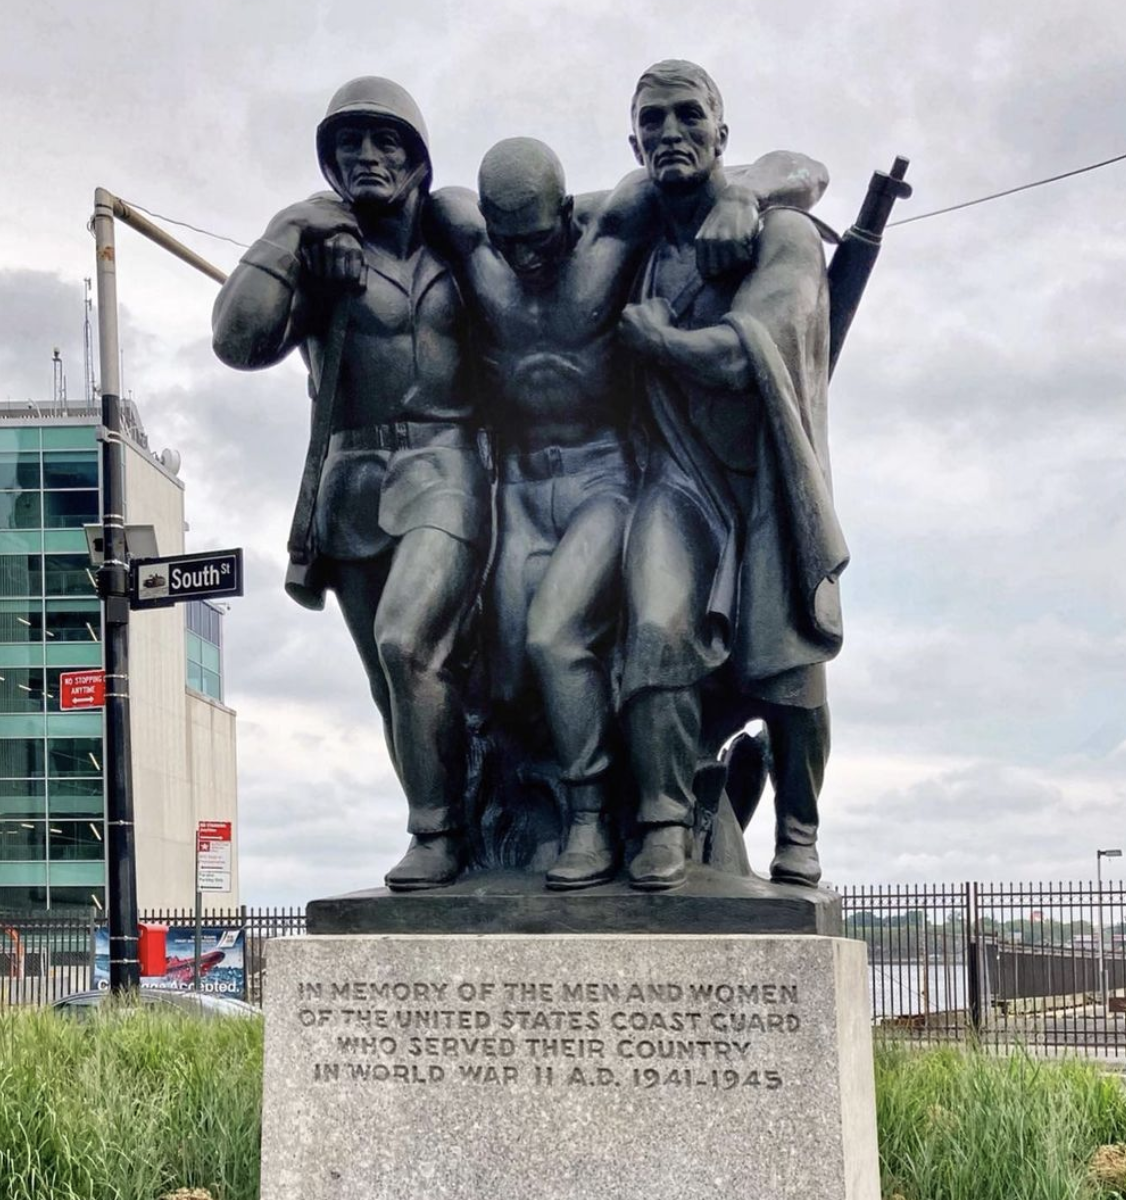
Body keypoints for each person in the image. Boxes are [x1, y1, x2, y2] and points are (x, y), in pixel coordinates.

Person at [429, 137, 825, 889]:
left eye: (541, 239)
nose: (527, 260)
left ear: (567, 221)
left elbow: (795, 169)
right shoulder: (471, 238)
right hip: (517, 489)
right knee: (504, 668)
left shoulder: (617, 220)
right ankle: (520, 819)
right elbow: (395, 207)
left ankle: (597, 821)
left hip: (601, 476)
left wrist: (746, 198)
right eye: (509, 242)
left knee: (558, 635)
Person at [212, 77, 489, 891]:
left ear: (418, 155)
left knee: (408, 642)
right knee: (388, 679)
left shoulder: (458, 247)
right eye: (349, 146)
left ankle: (434, 833)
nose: (367, 156)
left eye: (386, 141)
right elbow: (237, 339)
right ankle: (458, 822)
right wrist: (292, 227)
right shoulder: (320, 250)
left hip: (449, 467)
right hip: (353, 483)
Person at [617, 60, 848, 891]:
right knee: (653, 623)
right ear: (633, 137)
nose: (670, 134)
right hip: (676, 477)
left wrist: (662, 343)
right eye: (653, 120)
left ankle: (799, 827)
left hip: (764, 482)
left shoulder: (780, 234)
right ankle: (664, 820)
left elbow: (748, 349)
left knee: (788, 668)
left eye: (689, 117)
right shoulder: (637, 222)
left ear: (722, 131)